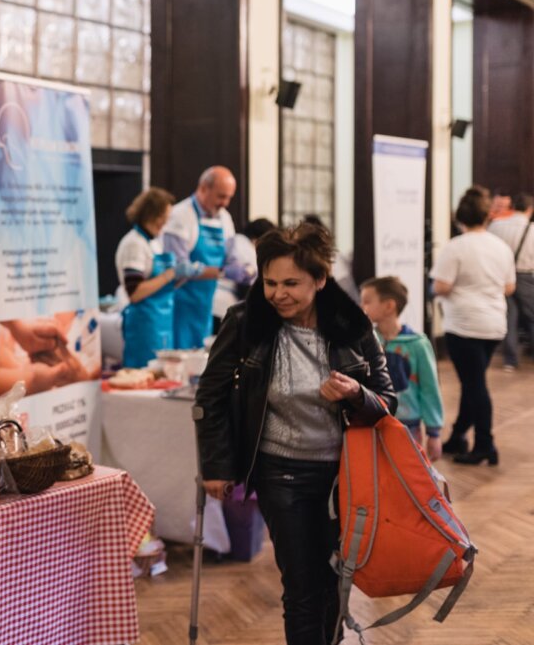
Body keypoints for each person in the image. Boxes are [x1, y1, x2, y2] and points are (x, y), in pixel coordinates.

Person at [195, 223, 395, 645]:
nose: (278, 293)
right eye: (269, 282)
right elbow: (209, 397)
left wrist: (356, 393)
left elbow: (387, 401)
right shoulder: (246, 321)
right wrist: (216, 465)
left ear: (320, 280)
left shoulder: (354, 326)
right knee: (303, 587)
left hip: (347, 477)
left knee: (335, 584)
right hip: (280, 473)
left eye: (291, 283)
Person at [431, 187, 515, 466]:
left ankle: (485, 444)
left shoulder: (456, 247)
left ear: (460, 217)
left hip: (464, 324)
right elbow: (509, 286)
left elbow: (441, 286)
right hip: (493, 324)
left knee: (475, 384)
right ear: (486, 216)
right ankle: (457, 437)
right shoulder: (500, 247)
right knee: (472, 382)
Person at [360, 276, 444, 461]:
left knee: (407, 472)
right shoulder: (365, 341)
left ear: (389, 306)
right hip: (373, 423)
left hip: (408, 426)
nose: (361, 307)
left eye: (367, 302)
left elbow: (430, 389)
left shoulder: (418, 345)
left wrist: (434, 432)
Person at [163, 166, 237, 349]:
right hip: (178, 305)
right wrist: (222, 272)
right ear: (204, 188)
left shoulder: (224, 218)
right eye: (221, 196)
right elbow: (178, 268)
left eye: (229, 197)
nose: (225, 203)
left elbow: (230, 255)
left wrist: (242, 267)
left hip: (204, 306)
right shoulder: (180, 216)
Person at [116, 187, 181, 367]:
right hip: (143, 326)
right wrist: (170, 274)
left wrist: (183, 277)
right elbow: (135, 292)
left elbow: (159, 286)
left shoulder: (153, 243)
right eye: (165, 216)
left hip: (161, 323)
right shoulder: (134, 244)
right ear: (153, 215)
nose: (167, 221)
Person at [487, 191, 534, 371]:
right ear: (530, 209)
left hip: (502, 276)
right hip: (525, 276)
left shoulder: (496, 226)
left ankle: (510, 360)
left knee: (509, 318)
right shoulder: (532, 229)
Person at [212, 218, 275, 333]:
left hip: (212, 299)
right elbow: (246, 283)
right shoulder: (248, 249)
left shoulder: (234, 240)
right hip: (223, 304)